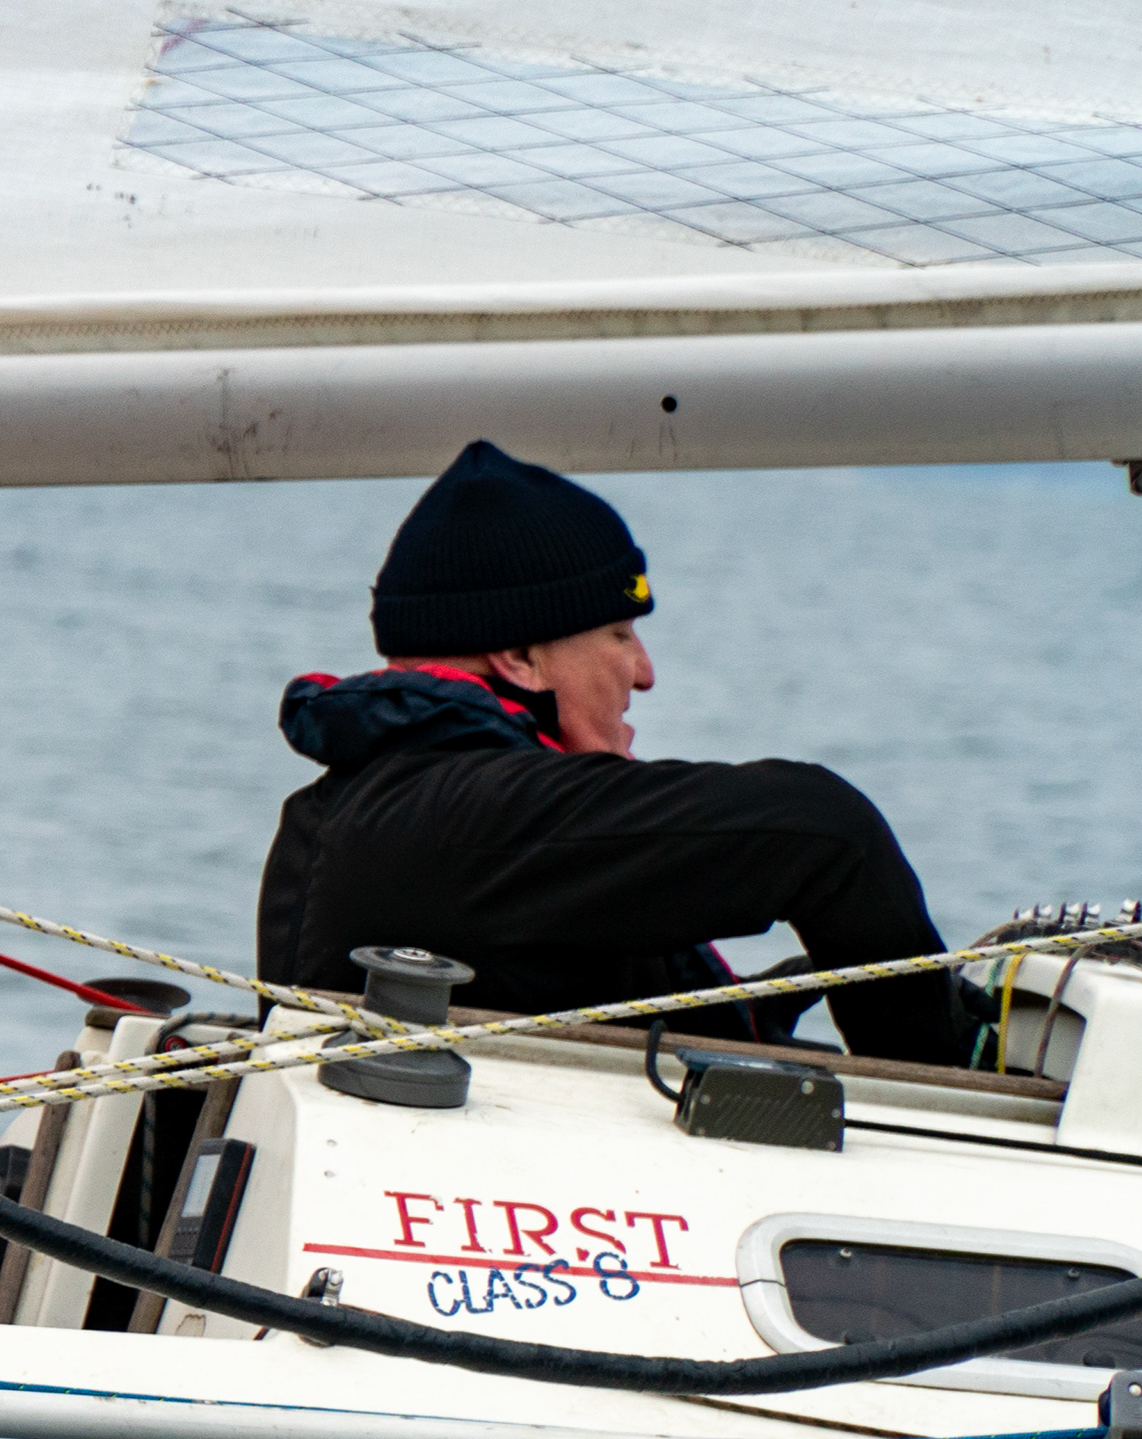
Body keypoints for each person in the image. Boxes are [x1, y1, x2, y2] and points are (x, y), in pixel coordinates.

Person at [258, 440, 967, 1064]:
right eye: (620, 635)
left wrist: (748, 1013)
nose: (645, 673)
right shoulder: (476, 818)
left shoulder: (366, 808)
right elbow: (828, 832)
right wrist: (949, 1084)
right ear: (520, 657)